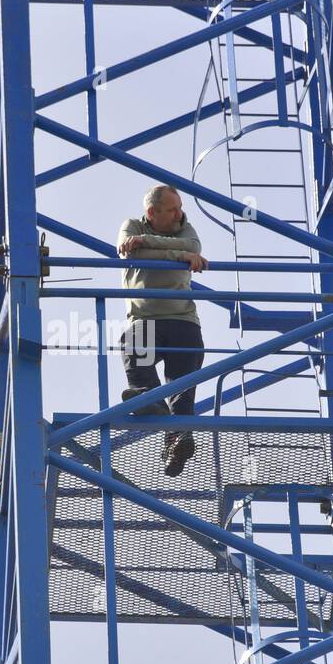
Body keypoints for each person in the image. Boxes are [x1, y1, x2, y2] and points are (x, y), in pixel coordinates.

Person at [116, 184, 210, 477]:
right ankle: (152, 401)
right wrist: (178, 255)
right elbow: (134, 255)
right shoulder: (131, 225)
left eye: (179, 207)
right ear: (151, 213)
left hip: (184, 320)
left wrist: (149, 243)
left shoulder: (185, 227)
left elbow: (193, 247)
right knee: (136, 357)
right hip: (145, 319)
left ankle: (178, 439)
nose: (179, 214)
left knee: (182, 390)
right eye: (171, 209)